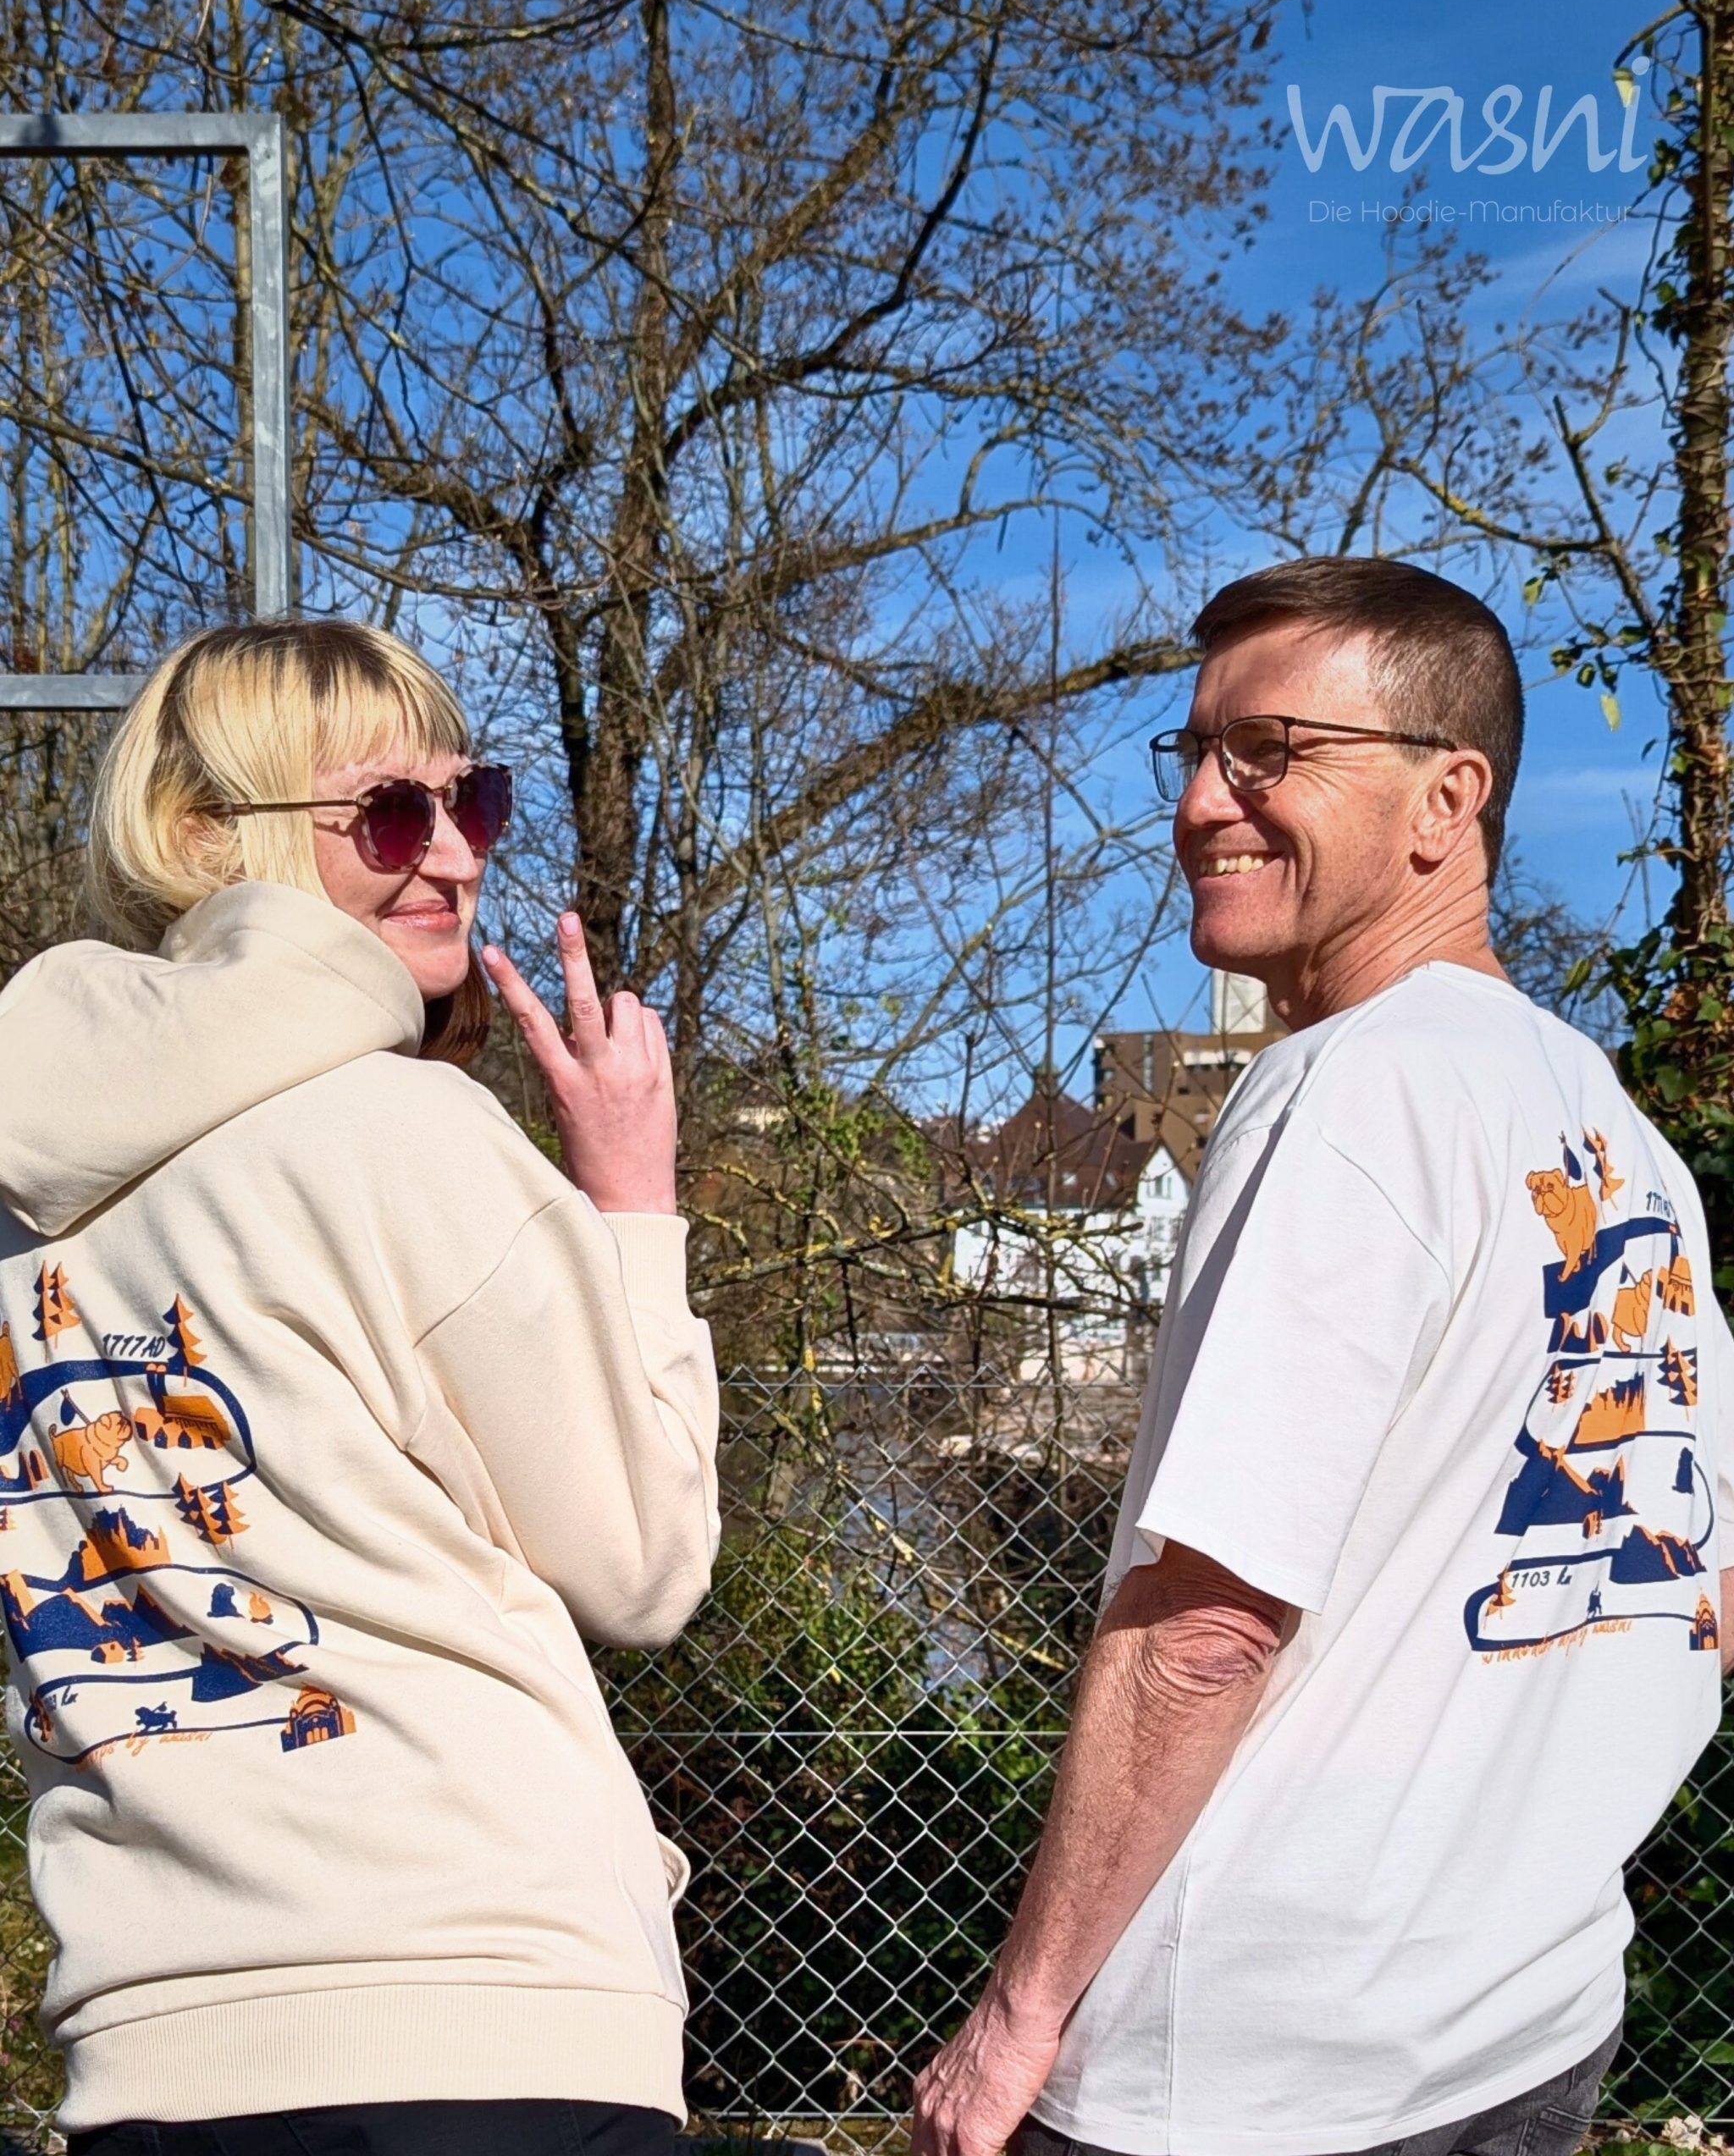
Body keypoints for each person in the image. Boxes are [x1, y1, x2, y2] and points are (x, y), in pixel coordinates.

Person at [912, 557, 1734, 2156]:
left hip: (1250, 2067)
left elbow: (1208, 1625)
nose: (1207, 805)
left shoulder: (1352, 1093)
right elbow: (1695, 1572)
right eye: (1197, 752)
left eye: (1272, 752)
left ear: (1447, 800)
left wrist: (1017, 2019)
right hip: (1520, 2022)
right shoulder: (1618, 1139)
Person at [0, 619, 720, 2156]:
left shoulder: (17, 1215)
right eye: (393, 814)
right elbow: (646, 1564)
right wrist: (635, 1215)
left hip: (145, 2044)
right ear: (206, 839)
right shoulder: (403, 1138)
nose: (455, 856)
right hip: (481, 2011)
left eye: (481, 802)